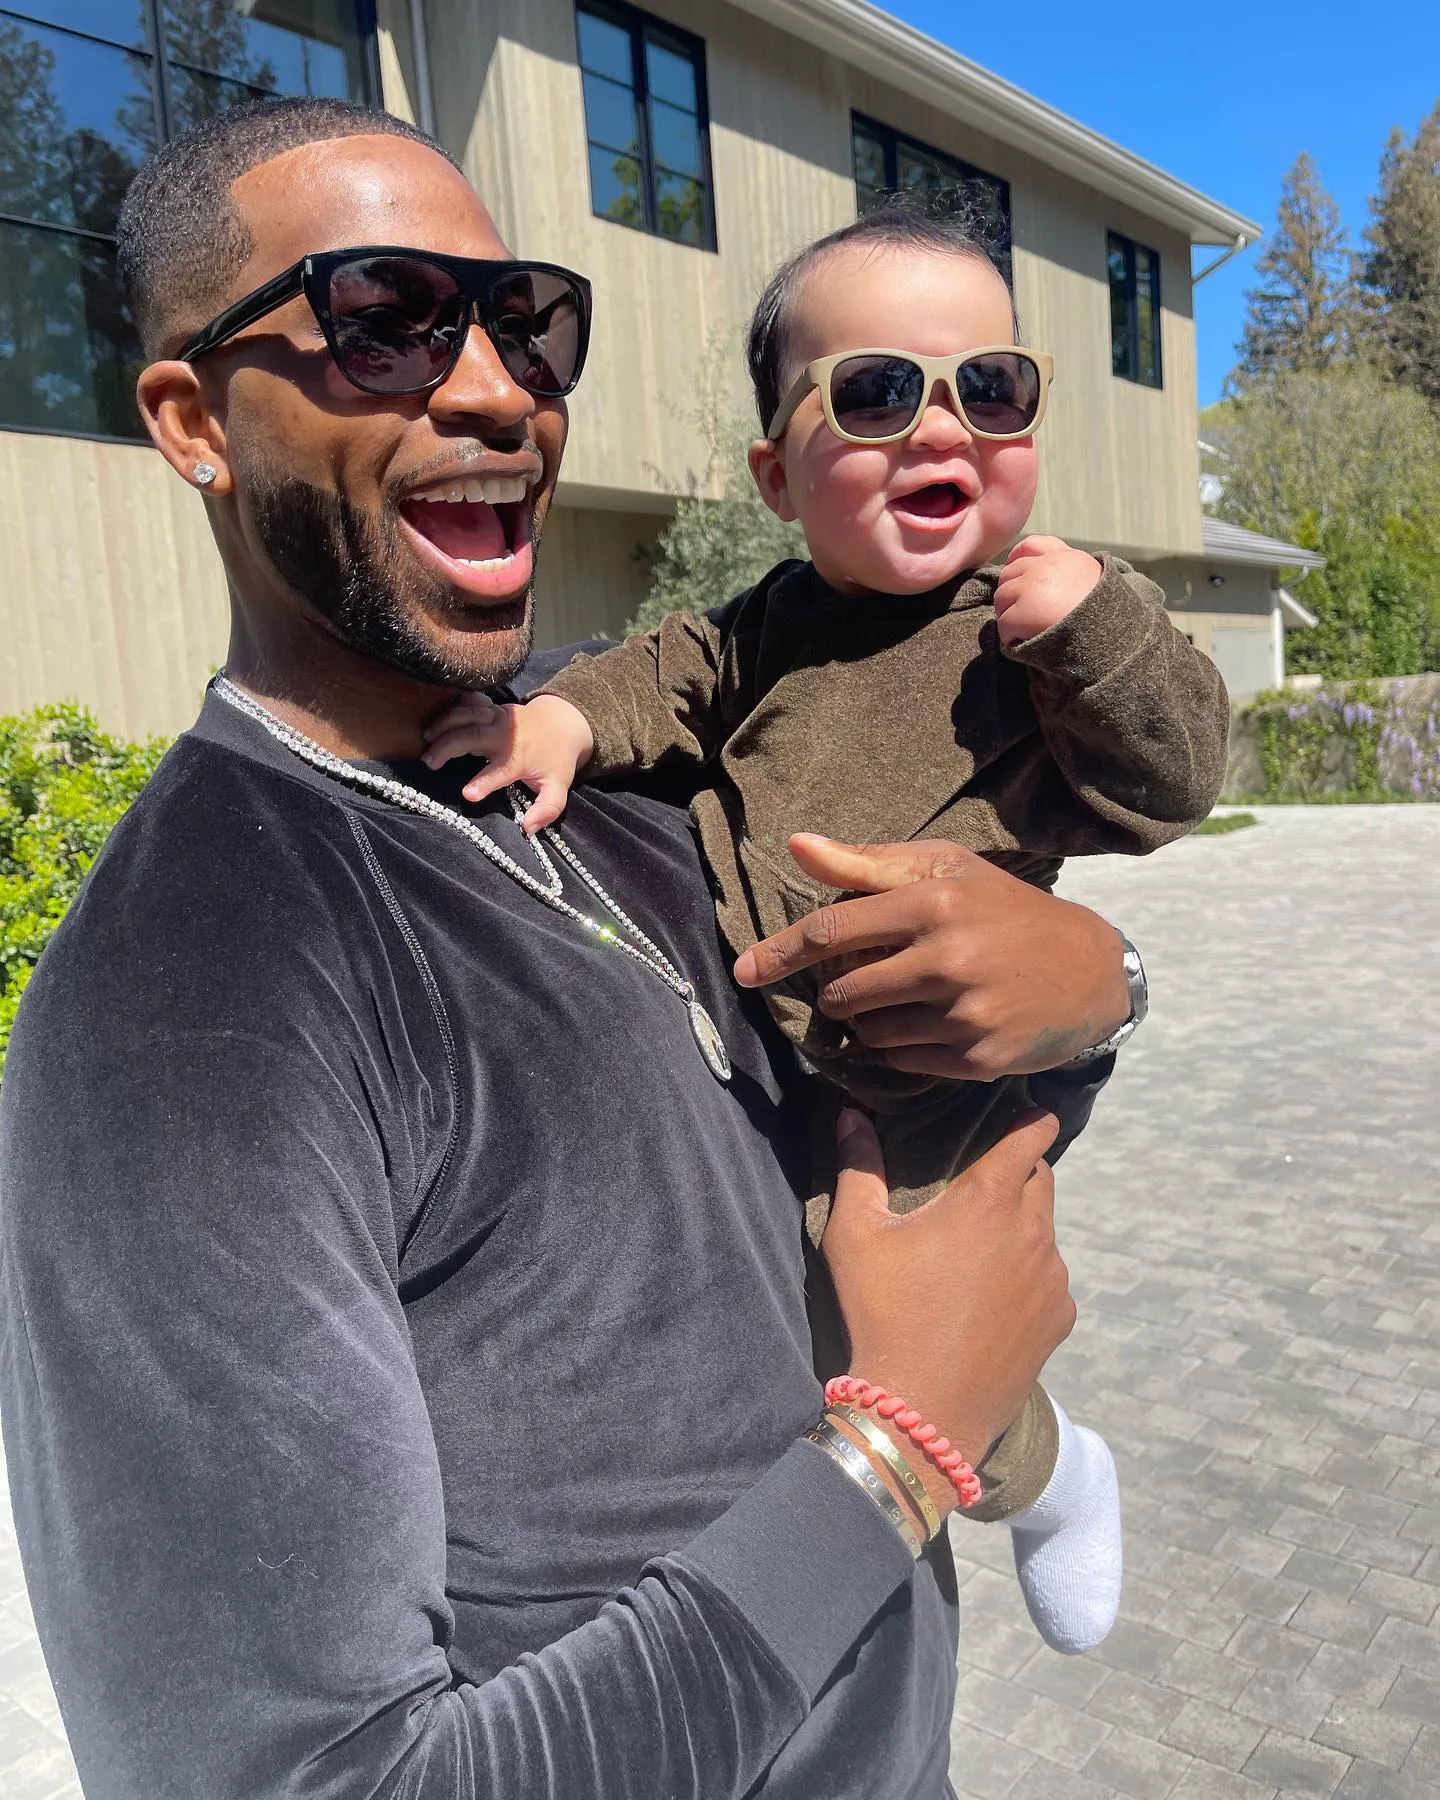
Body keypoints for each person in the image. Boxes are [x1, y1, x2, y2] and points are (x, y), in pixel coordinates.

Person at [0, 100, 1138, 1800]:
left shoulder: (611, 758)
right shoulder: (178, 1010)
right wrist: (896, 1452)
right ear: (193, 421)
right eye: (384, 319)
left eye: (525, 322)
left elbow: (949, 980)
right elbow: (326, 1779)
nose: (495, 389)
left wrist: (1099, 979)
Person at [423, 206, 1229, 1653]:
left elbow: (1172, 783)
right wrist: (554, 722)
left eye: (992, 388)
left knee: (901, 1333)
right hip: (774, 1073)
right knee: (798, 1328)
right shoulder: (767, 626)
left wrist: (1095, 623)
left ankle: (1052, 1477)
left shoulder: (1037, 629)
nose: (944, 428)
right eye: (876, 392)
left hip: (936, 1085)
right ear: (778, 478)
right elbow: (656, 677)